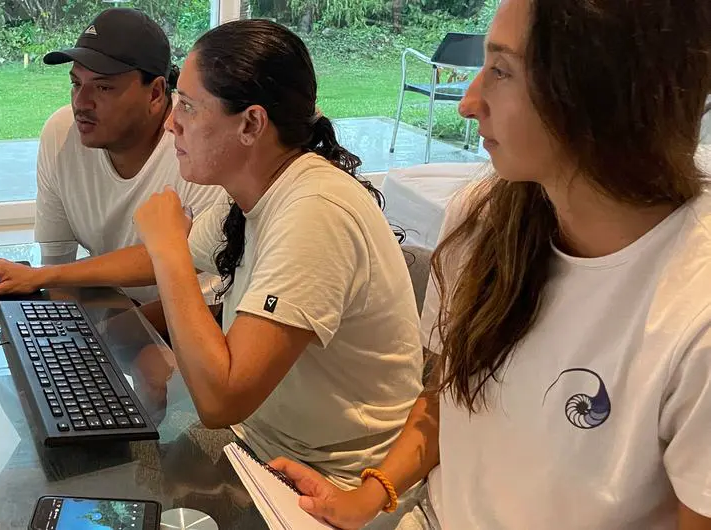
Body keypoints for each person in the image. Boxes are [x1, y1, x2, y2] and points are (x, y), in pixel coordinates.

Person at [270, 0, 711, 528]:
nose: (469, 101)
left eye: (501, 70)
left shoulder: (692, 310)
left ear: (600, 92)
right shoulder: (480, 226)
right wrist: (367, 496)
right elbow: (445, 403)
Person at [0, 19, 424, 490]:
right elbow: (157, 258)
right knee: (58, 461)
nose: (173, 121)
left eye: (190, 107)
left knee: (78, 480)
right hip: (260, 441)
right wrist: (41, 277)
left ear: (251, 124)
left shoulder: (314, 213)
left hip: (329, 479)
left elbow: (220, 403)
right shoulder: (256, 186)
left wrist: (167, 249)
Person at [30, 8, 227, 304]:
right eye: (76, 83)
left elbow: (210, 300)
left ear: (155, 94)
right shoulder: (61, 134)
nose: (81, 103)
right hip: (113, 312)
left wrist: (110, 336)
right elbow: (58, 268)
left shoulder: (198, 150)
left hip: (183, 334)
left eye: (104, 87)